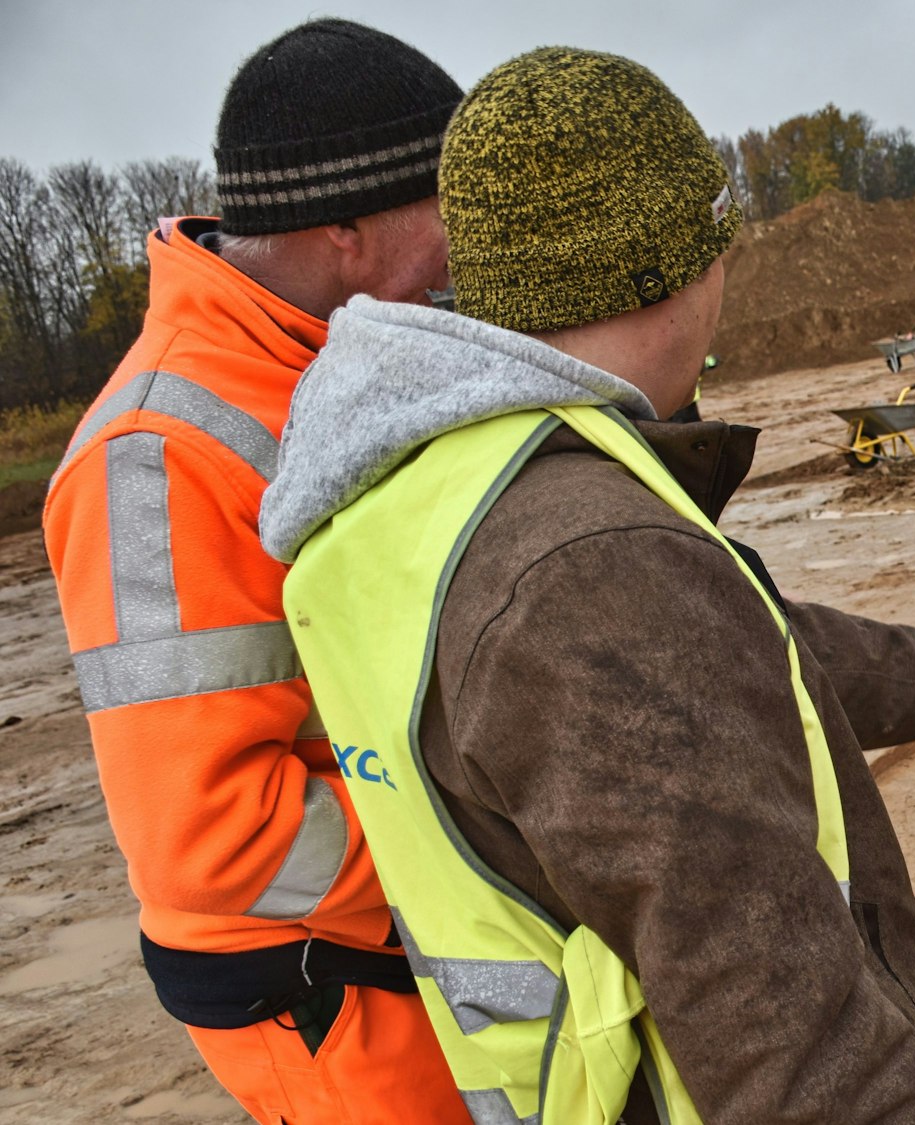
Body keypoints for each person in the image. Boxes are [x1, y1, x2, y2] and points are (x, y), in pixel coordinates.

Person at [257, 48, 915, 1125]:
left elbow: (747, 660)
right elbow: (791, 1045)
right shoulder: (589, 571)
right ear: (679, 268)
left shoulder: (438, 495)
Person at [41, 19, 472, 1125]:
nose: (468, 247)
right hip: (330, 991)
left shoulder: (341, 363)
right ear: (344, 227)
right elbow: (211, 836)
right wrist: (488, 840)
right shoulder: (153, 458)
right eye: (448, 207)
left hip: (407, 941)